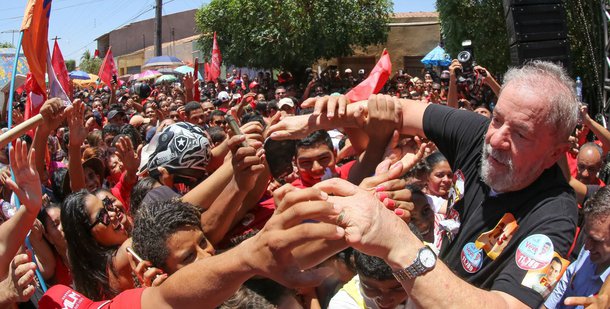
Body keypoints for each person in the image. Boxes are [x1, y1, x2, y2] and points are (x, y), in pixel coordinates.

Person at [268, 60, 580, 308]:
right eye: (497, 119)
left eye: (521, 134)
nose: (495, 139)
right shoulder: (476, 133)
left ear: (556, 152)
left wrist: (398, 241)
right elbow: (398, 111)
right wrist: (326, 118)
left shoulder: (555, 215)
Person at [543, 186, 610, 309]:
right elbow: (562, 289)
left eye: (596, 240)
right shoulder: (586, 254)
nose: (587, 246)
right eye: (587, 235)